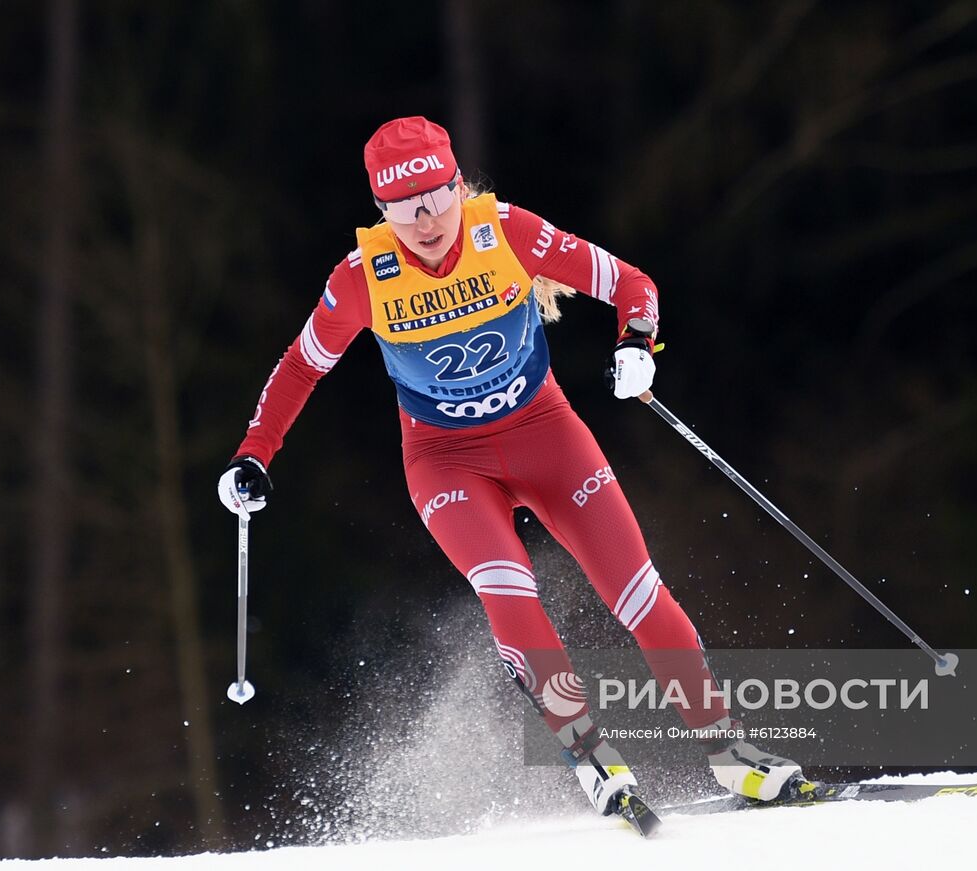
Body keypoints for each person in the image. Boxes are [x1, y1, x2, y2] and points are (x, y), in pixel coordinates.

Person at [218, 116, 804, 817]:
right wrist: (253, 453)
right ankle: (590, 753)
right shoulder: (360, 281)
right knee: (509, 585)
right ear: (382, 210)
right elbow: (299, 367)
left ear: (458, 185)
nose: (427, 218)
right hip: (445, 460)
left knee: (639, 592)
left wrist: (637, 343)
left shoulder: (506, 232)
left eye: (437, 195)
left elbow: (631, 283)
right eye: (405, 207)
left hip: (545, 433)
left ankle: (728, 752)